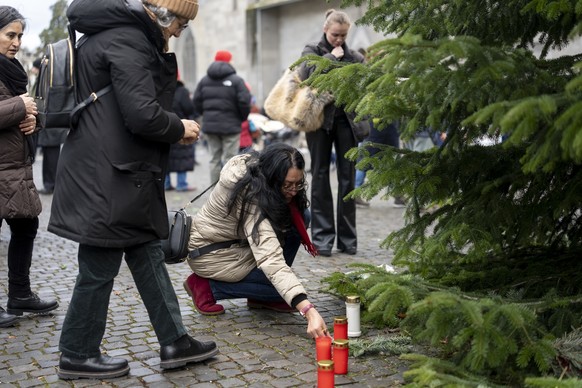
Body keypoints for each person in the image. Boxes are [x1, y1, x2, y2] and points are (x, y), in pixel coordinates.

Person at [47, 0, 218, 380]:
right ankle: (77, 352)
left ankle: (175, 340)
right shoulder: (128, 39)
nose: (178, 33)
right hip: (109, 174)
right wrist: (180, 128)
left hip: (121, 171)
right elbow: (141, 113)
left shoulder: (117, 34)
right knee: (98, 265)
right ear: (163, 15)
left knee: (148, 253)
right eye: (180, 25)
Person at [182, 143, 330, 338]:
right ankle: (205, 286)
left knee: (301, 215)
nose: (294, 190)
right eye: (287, 185)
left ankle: (261, 296)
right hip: (212, 253)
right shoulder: (249, 193)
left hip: (236, 246)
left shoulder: (261, 176)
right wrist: (308, 310)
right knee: (283, 291)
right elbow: (271, 259)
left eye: (298, 183)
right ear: (272, 177)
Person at [0, 6, 59, 328]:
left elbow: (19, 115)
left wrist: (32, 119)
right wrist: (19, 105)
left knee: (26, 226)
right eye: (10, 35)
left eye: (20, 35)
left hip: (13, 167)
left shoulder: (11, 70)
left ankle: (20, 294)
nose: (17, 42)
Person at [299, 9, 365, 257]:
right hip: (318, 122)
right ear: (326, 30)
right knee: (320, 176)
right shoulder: (312, 51)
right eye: (335, 34)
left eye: (343, 35)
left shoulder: (356, 57)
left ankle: (348, 240)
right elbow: (306, 76)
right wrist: (331, 58)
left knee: (348, 179)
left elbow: (362, 88)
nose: (339, 39)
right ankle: (322, 239)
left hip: (347, 122)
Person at [193, 49, 251, 184]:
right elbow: (244, 101)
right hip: (231, 127)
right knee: (230, 159)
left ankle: (214, 191)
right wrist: (241, 118)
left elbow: (196, 101)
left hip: (211, 126)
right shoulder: (236, 80)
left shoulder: (204, 80)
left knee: (214, 159)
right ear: (229, 61)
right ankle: (228, 191)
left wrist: (206, 114)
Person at [31, 58, 68, 195]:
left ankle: (50, 185)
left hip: (51, 125)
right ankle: (50, 184)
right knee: (50, 156)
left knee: (51, 158)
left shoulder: (46, 79)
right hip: (52, 125)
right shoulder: (50, 77)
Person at [354, 120, 400, 207]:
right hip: (383, 132)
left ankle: (355, 192)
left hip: (376, 132)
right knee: (392, 164)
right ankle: (398, 195)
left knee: (364, 163)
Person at [165, 76, 197, 191]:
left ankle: (166, 183)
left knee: (166, 155)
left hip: (165, 126)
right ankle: (181, 183)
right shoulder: (182, 91)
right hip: (182, 127)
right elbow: (189, 108)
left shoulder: (161, 88)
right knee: (182, 155)